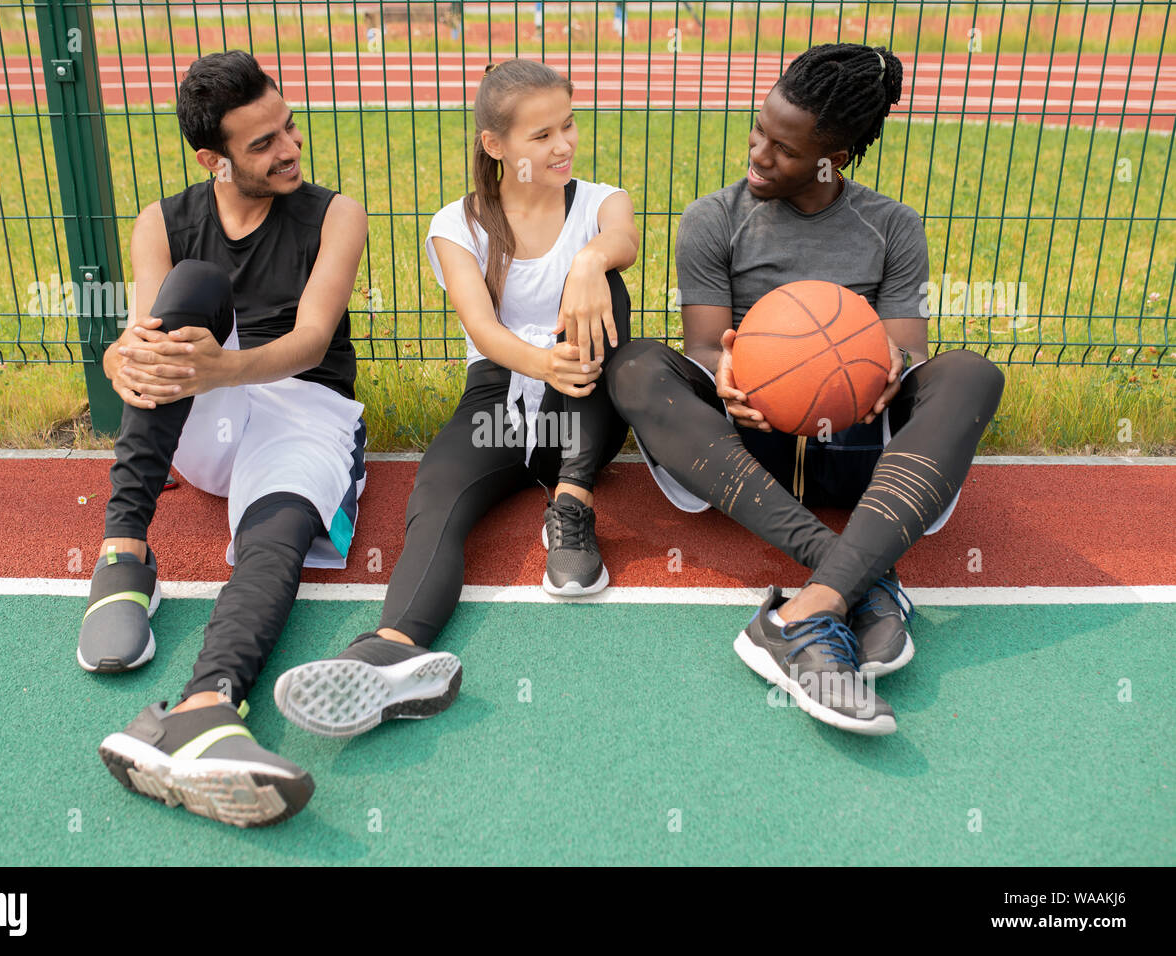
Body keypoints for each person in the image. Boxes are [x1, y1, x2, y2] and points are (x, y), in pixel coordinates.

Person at [606, 44, 1005, 735]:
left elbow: (908, 350)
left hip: (861, 456)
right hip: (746, 452)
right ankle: (858, 579)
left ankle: (805, 611)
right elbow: (704, 346)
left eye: (784, 149)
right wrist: (724, 372)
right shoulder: (713, 219)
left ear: (835, 159)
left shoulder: (891, 226)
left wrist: (887, 360)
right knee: (635, 366)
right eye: (760, 129)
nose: (759, 153)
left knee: (973, 373)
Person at [273, 58, 639, 739]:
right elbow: (483, 330)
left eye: (569, 126)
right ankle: (392, 654)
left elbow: (623, 239)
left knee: (604, 290)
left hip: (583, 400)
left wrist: (589, 262)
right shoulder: (458, 222)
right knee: (434, 497)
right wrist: (540, 364)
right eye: (541, 136)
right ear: (495, 145)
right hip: (500, 393)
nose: (563, 146)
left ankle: (572, 498)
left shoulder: (599, 203)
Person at [80, 51, 369, 826]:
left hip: (304, 409)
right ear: (212, 159)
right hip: (202, 412)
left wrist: (217, 370)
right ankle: (124, 552)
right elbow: (147, 333)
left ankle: (204, 708)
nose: (289, 149)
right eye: (263, 143)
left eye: (288, 127)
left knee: (272, 542)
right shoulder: (164, 221)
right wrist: (124, 354)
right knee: (196, 288)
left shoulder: (335, 213)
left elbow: (312, 341)